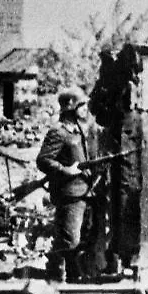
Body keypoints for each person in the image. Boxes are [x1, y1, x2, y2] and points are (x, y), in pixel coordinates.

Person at [36, 85, 104, 282]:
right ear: (70, 107)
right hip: (70, 193)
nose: (85, 109)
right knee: (69, 240)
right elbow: (43, 160)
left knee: (85, 238)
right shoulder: (58, 132)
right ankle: (57, 273)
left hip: (87, 191)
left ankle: (74, 277)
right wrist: (66, 170)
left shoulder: (82, 129)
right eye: (81, 105)